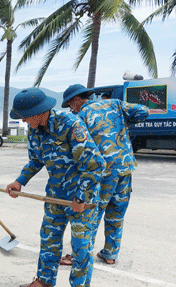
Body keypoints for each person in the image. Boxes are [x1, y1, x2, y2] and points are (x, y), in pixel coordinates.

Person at [5, 88, 105, 287]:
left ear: (40, 112)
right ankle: (45, 281)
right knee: (49, 239)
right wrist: (20, 181)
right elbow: (36, 160)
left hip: (82, 197)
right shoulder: (34, 129)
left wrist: (81, 198)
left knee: (80, 247)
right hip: (55, 195)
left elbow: (95, 164)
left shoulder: (70, 124)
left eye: (25, 116)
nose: (22, 120)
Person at [60, 84, 149, 265]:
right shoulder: (114, 104)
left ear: (76, 99)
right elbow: (144, 111)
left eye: (70, 104)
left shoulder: (80, 117)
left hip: (102, 172)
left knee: (91, 214)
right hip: (125, 167)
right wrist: (122, 123)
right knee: (116, 213)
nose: (71, 108)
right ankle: (110, 254)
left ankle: (80, 256)